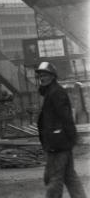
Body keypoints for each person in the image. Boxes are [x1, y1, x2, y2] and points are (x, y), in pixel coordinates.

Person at [36, 61, 87, 198]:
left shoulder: (56, 93)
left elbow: (66, 118)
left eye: (45, 75)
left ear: (53, 76)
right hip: (59, 141)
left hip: (58, 142)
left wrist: (72, 137)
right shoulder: (50, 93)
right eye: (40, 75)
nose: (42, 77)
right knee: (69, 176)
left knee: (54, 177)